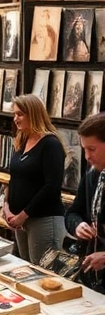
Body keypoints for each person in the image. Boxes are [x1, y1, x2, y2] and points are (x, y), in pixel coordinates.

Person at [3, 95, 65, 262]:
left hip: (42, 218)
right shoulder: (22, 141)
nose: (15, 119)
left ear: (34, 114)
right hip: (20, 220)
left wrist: (24, 214)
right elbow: (14, 178)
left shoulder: (50, 144)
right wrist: (6, 206)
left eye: (20, 114)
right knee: (26, 268)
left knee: (42, 272)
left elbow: (52, 186)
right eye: (14, 114)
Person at [65, 112, 105, 291]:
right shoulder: (91, 175)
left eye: (92, 149)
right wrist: (78, 225)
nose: (87, 156)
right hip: (92, 275)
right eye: (84, 149)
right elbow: (73, 212)